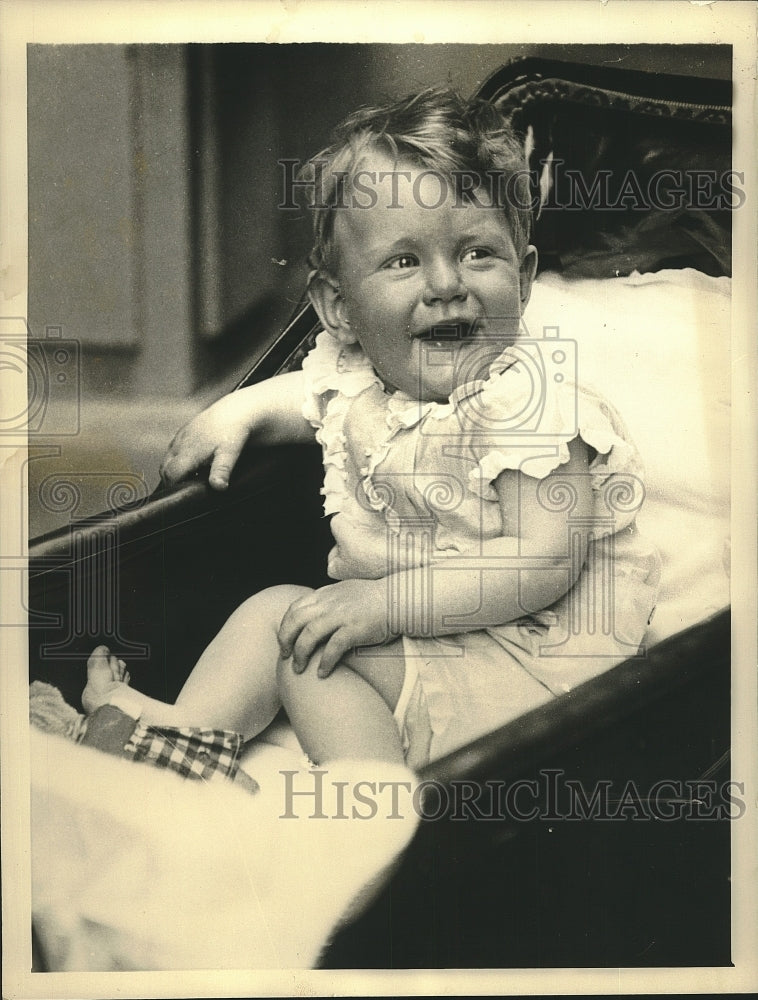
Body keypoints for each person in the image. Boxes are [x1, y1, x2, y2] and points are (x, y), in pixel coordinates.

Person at [83, 88, 661, 771]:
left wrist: (386, 605)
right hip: (425, 642)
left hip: (528, 676)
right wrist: (238, 410)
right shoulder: (369, 381)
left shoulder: (528, 408)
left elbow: (542, 560)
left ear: (525, 277)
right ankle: (176, 741)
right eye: (404, 261)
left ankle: (375, 811)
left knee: (312, 653)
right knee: (279, 614)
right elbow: (320, 399)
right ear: (339, 308)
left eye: (477, 253)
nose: (446, 284)